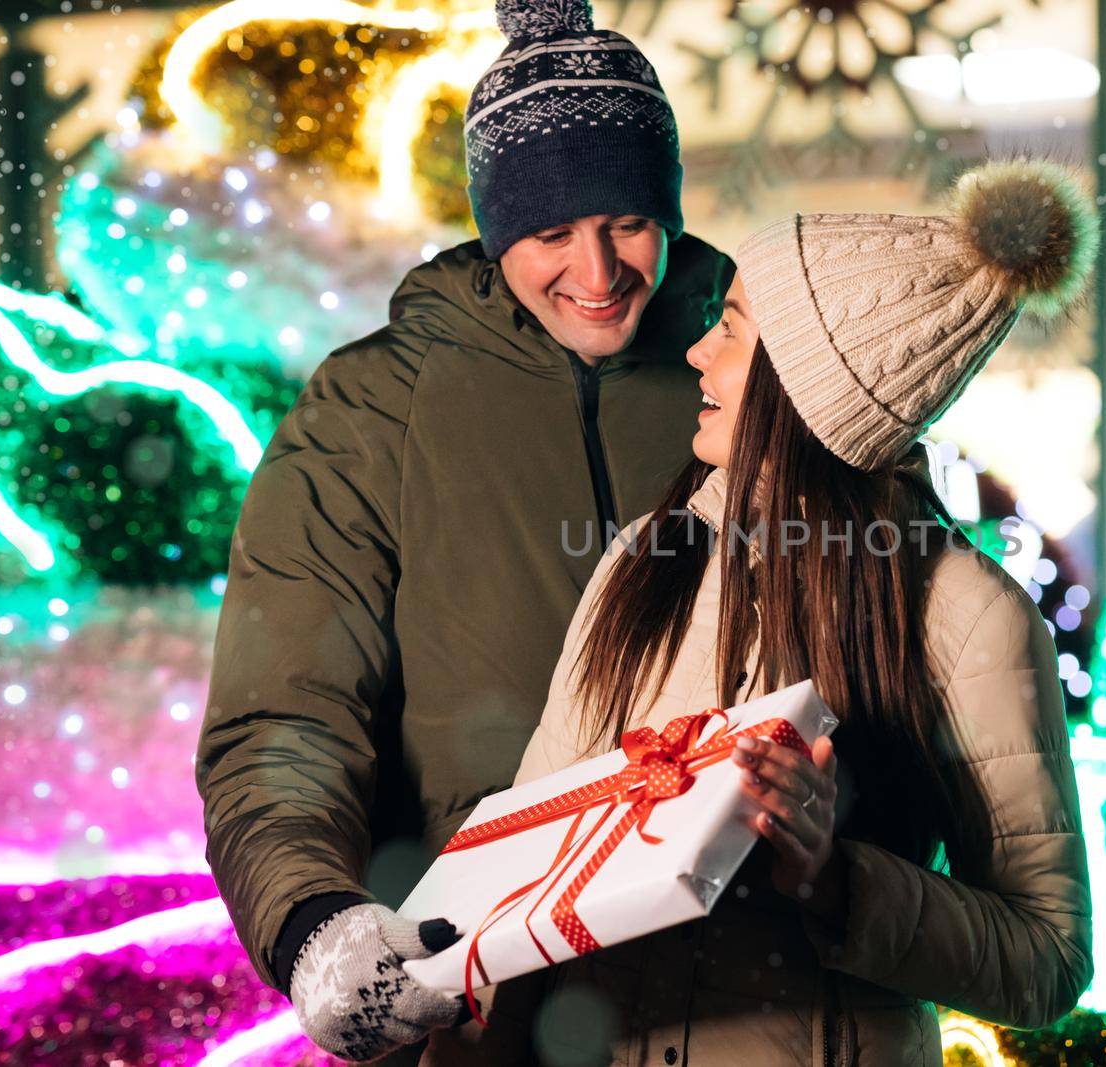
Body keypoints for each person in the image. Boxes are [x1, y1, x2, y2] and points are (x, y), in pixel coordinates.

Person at [193, 0, 731, 1060]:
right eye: (549, 233)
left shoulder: (754, 372)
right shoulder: (371, 411)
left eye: (627, 222)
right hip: (483, 992)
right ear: (494, 229)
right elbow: (286, 712)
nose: (597, 272)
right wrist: (313, 916)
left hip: (743, 987)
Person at [507, 159, 1100, 1066]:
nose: (700, 354)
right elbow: (523, 860)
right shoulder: (644, 562)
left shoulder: (968, 616)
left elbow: (1047, 962)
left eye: (733, 331)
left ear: (808, 385)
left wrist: (837, 875)